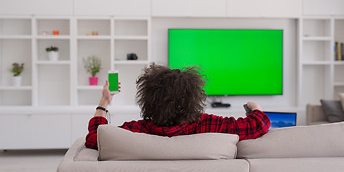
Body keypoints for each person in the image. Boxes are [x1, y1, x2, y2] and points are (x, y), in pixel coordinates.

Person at [85, 63, 270, 150]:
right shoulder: (209, 126)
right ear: (193, 98)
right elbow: (258, 125)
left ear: (148, 99)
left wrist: (104, 102)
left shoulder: (135, 131)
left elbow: (94, 138)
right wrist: (254, 107)